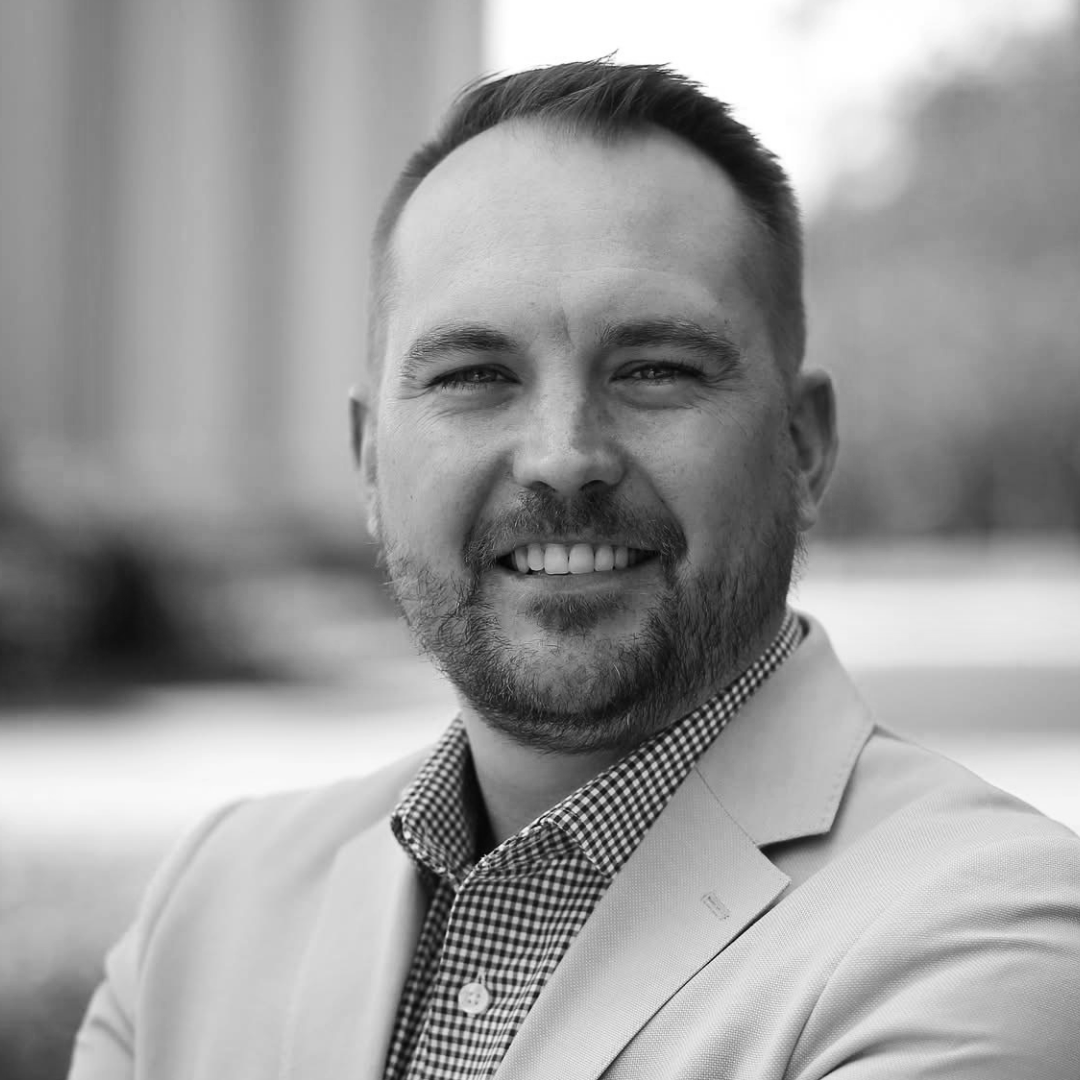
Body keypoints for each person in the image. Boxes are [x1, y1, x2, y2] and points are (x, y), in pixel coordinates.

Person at [69, 59, 1080, 1080]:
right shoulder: (206, 910)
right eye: (474, 375)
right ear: (371, 461)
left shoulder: (992, 930)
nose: (563, 456)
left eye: (655, 369)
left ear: (804, 448)